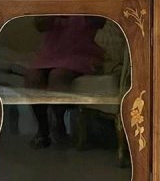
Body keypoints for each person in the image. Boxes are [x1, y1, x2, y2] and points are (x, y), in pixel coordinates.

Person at [24, 15, 105, 148]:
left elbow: (101, 21)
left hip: (80, 52)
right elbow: (39, 25)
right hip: (51, 53)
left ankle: (59, 124)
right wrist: (54, 13)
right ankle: (43, 129)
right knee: (32, 76)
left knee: (58, 75)